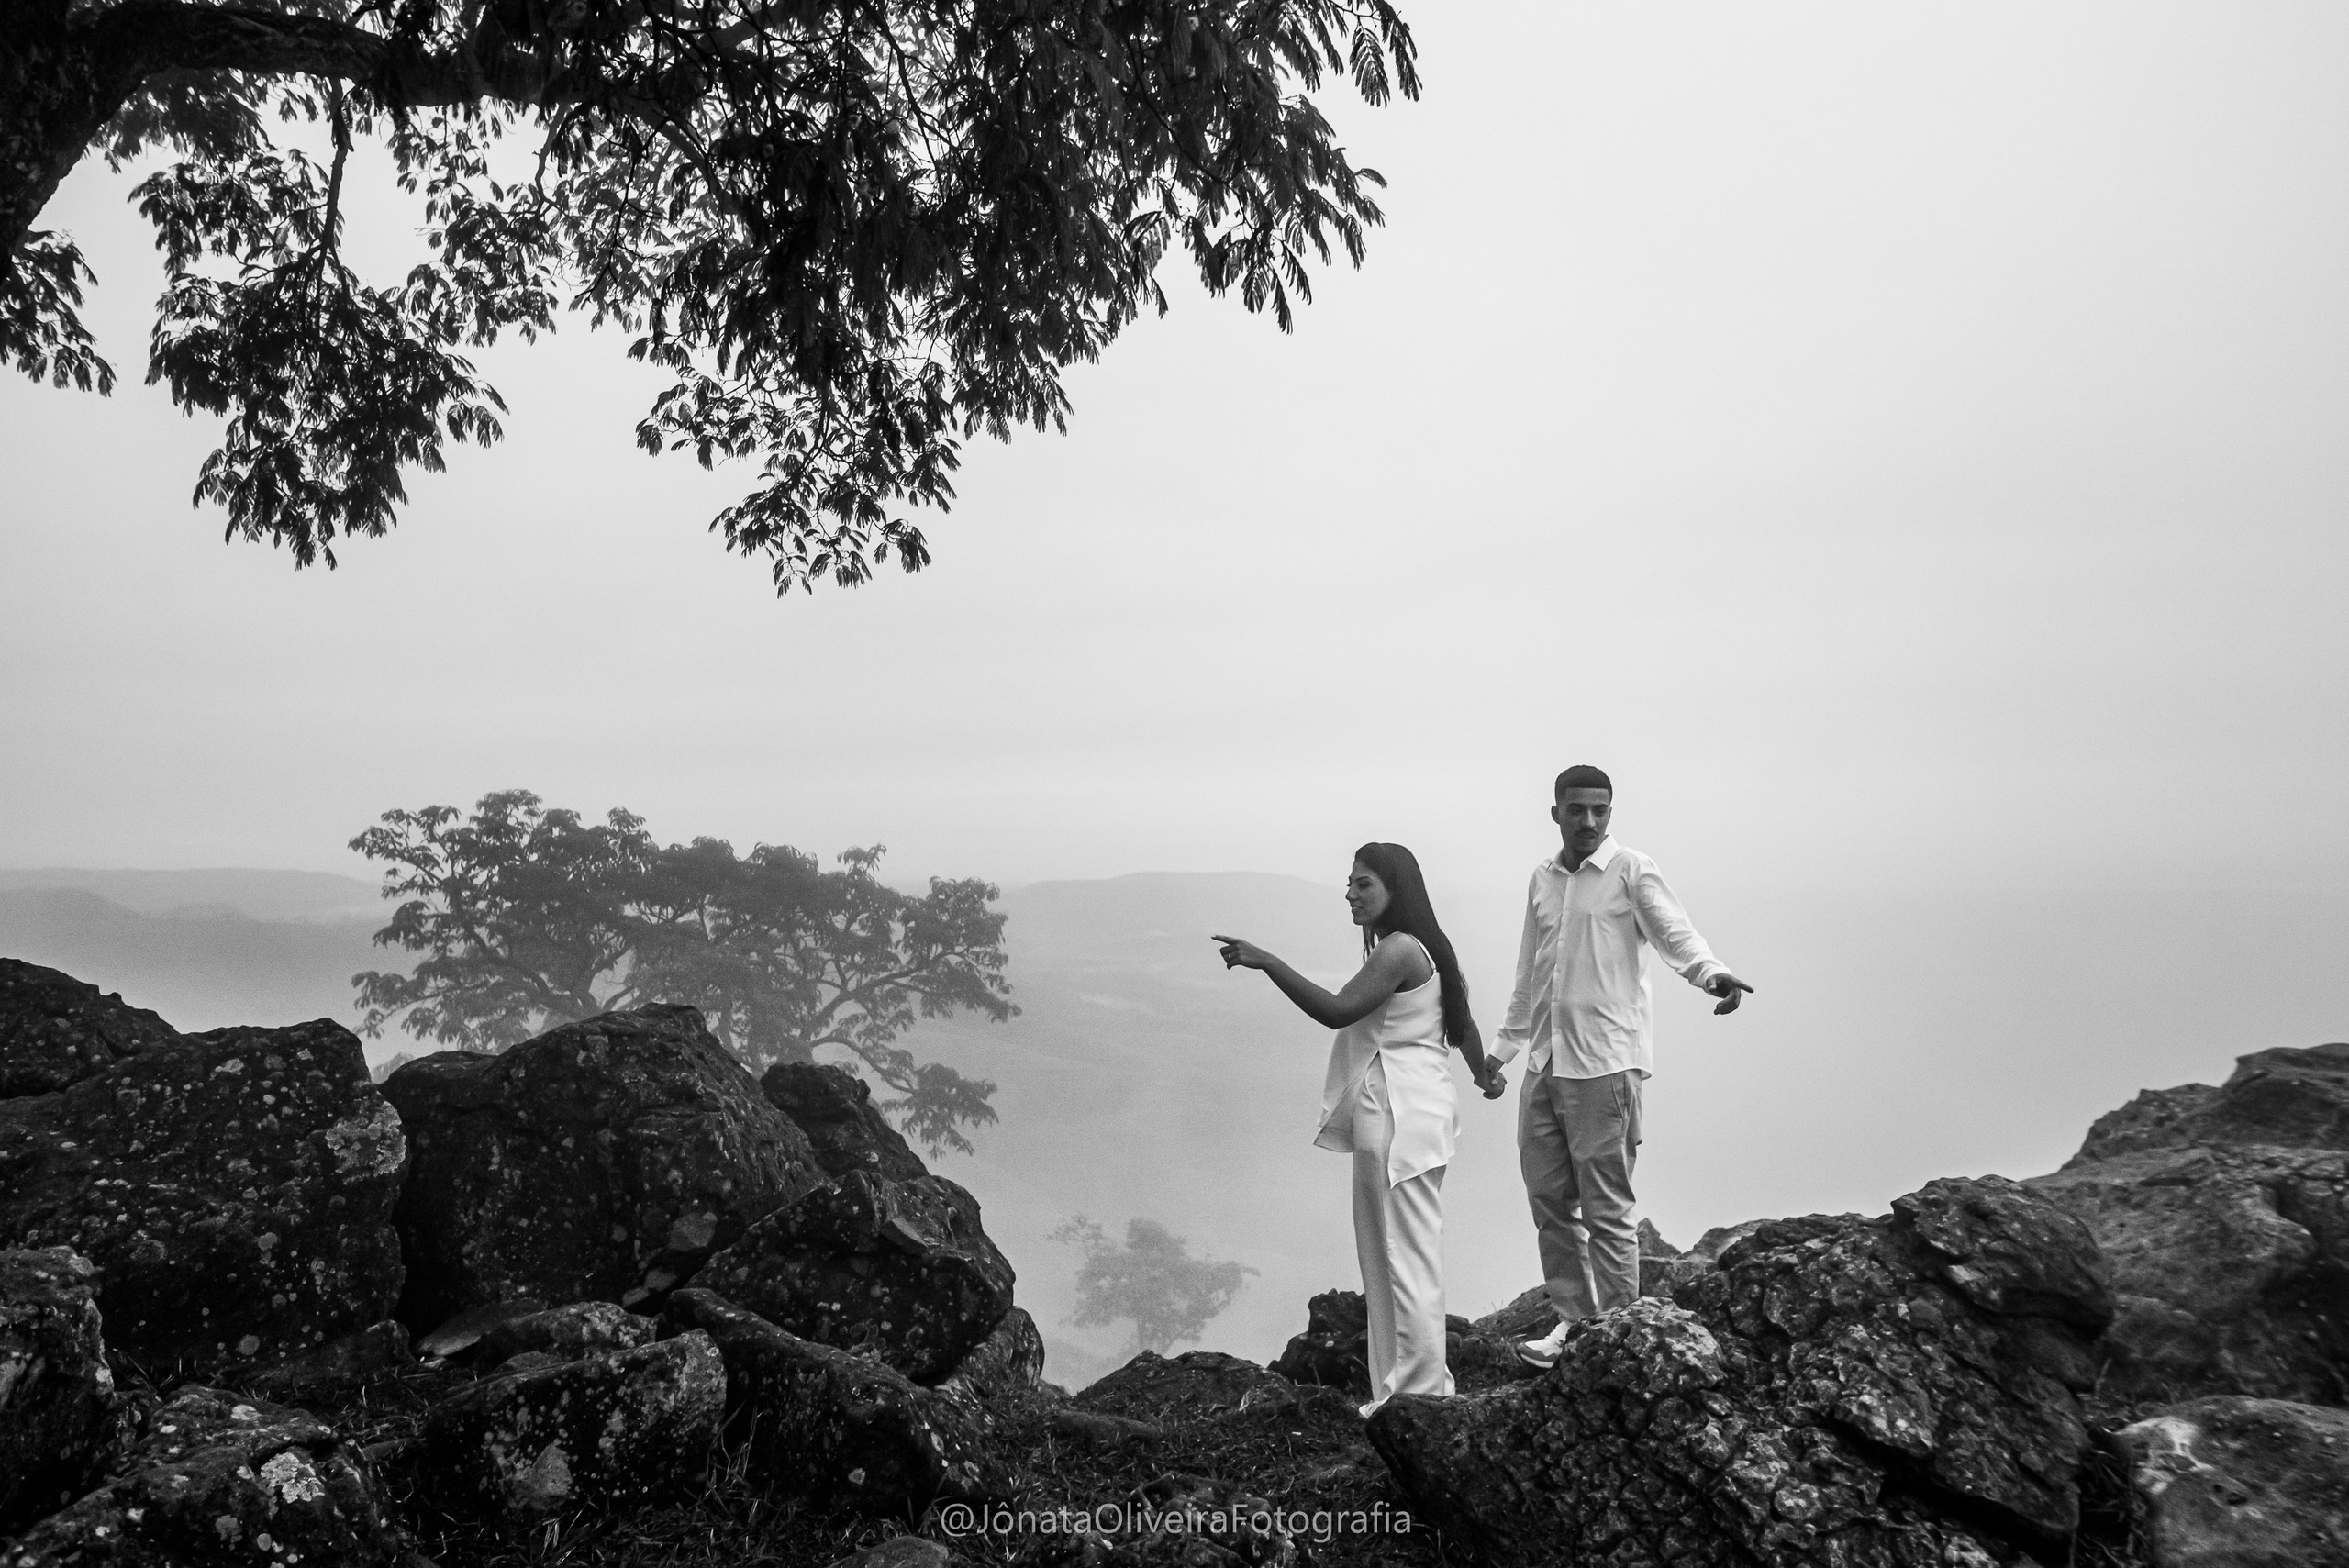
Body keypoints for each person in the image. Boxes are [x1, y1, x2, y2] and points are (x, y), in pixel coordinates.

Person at [1214, 842, 1503, 1414]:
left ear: (1397, 891)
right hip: (1417, 1114)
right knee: (1402, 1254)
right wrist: (1482, 1076)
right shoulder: (1429, 947)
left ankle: (1417, 1396)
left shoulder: (1398, 949)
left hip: (1394, 1115)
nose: (1350, 892)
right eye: (1350, 883)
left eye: (1364, 883)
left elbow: (1337, 1010)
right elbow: (1461, 1018)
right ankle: (1405, 1390)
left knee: (1397, 1256)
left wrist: (1267, 961)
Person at [1488, 765, 1753, 1369]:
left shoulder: (1630, 870)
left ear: (1611, 813)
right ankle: (1574, 1324)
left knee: (1606, 1207)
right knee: (1549, 1200)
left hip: (1605, 1064)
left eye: (1600, 810)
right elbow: (1532, 971)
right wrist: (1503, 1050)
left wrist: (1711, 973)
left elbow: (1674, 932)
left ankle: (1613, 1338)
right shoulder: (1544, 878)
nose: (1588, 820)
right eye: (1577, 809)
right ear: (1555, 810)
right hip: (1547, 1063)